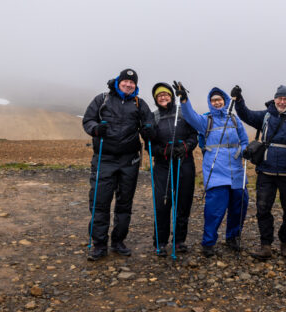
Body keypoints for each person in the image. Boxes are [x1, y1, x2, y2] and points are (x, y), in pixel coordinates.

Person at [230, 84, 286, 260]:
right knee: (262, 208)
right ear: (275, 99)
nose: (282, 101)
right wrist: (239, 100)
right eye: (280, 98)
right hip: (266, 171)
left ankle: (285, 244)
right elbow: (246, 114)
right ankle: (266, 245)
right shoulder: (266, 115)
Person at [82, 69, 153, 261]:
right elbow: (88, 120)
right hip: (104, 158)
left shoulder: (139, 103)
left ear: (135, 86)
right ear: (118, 82)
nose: (129, 85)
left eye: (132, 83)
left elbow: (149, 122)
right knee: (100, 201)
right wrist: (96, 129)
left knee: (124, 203)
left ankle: (118, 241)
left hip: (129, 160)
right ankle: (99, 245)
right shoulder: (102, 99)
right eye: (126, 81)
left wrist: (148, 130)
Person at [173, 82, 249, 257]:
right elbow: (190, 116)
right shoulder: (205, 120)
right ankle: (208, 242)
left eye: (219, 99)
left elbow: (244, 141)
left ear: (225, 100)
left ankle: (233, 237)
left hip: (236, 170)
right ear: (210, 102)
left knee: (240, 205)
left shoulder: (234, 120)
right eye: (213, 100)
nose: (217, 102)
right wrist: (184, 99)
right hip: (216, 171)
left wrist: (245, 151)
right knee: (215, 209)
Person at [147, 82, 199, 256]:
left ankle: (179, 241)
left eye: (166, 94)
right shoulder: (153, 118)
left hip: (184, 164)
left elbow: (194, 136)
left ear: (171, 96)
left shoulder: (183, 114)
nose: (163, 97)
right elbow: (149, 146)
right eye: (159, 95)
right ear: (156, 99)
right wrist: (163, 151)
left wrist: (185, 147)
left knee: (183, 204)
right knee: (162, 205)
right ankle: (160, 242)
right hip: (163, 166)